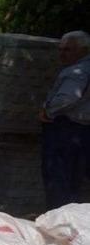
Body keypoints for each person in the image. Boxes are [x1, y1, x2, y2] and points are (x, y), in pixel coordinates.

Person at [40, 30, 90, 209]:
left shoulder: (77, 72)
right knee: (74, 181)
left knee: (58, 181)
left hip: (66, 130)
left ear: (83, 50)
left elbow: (68, 97)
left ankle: (58, 218)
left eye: (68, 50)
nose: (62, 54)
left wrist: (48, 111)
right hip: (83, 131)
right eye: (60, 49)